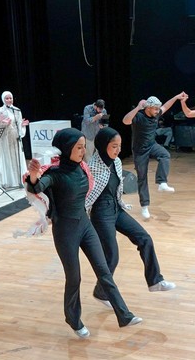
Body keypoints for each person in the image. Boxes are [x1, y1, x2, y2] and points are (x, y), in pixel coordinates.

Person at [24, 128, 142, 338]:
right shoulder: (54, 174)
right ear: (66, 148)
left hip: (85, 226)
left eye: (84, 147)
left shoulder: (83, 168)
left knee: (104, 270)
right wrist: (33, 176)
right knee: (74, 278)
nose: (83, 151)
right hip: (66, 231)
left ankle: (124, 315)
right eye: (78, 147)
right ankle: (73, 319)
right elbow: (37, 187)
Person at [86, 127, 176, 305]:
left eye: (119, 146)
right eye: (114, 146)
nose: (118, 150)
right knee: (112, 255)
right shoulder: (91, 168)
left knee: (145, 239)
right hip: (101, 213)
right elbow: (84, 195)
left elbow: (117, 189)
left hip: (116, 208)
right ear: (103, 145)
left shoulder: (117, 162)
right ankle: (101, 292)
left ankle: (155, 281)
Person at [122, 94, 181, 220]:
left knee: (165, 155)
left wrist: (176, 97)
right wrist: (138, 107)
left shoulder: (156, 113)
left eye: (158, 109)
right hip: (139, 151)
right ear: (148, 108)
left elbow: (166, 106)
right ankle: (144, 206)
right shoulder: (139, 116)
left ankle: (162, 182)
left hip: (152, 145)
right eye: (155, 109)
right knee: (142, 177)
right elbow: (125, 121)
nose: (157, 111)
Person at [0, 90, 27, 188]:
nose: (9, 100)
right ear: (3, 99)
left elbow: (19, 123)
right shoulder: (0, 111)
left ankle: (21, 179)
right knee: (9, 157)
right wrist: (4, 124)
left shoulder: (17, 110)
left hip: (15, 136)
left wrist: (22, 126)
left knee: (18, 156)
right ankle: (12, 181)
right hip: (6, 137)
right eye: (7, 98)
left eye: (10, 98)